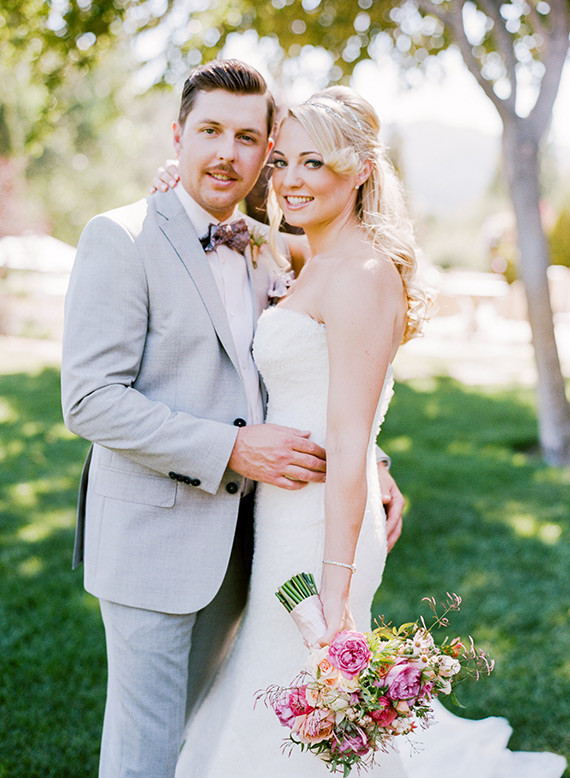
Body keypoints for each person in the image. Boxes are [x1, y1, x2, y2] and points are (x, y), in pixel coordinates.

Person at [171, 88, 568, 777]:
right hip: (284, 510)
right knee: (274, 688)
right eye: (283, 162)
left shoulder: (358, 274)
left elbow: (350, 439)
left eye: (313, 163)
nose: (290, 180)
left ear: (356, 170)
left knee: (306, 687)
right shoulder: (315, 257)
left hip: (322, 529)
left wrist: (335, 595)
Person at [61, 59, 404, 778]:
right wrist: (234, 450)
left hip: (257, 546)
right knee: (145, 752)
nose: (227, 153)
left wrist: (371, 459)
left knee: (225, 732)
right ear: (177, 136)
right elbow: (90, 399)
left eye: (249, 140)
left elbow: (310, 380)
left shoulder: (270, 253)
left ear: (262, 155)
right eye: (210, 130)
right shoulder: (119, 238)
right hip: (155, 542)